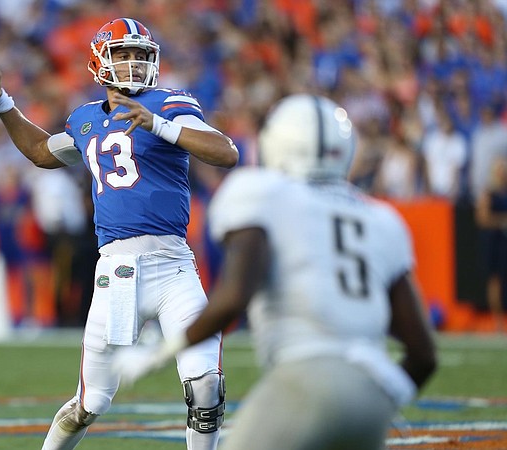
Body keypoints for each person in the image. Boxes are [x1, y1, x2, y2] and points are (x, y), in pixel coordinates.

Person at [114, 94, 438, 450]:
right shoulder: (381, 218)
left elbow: (234, 296)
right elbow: (424, 355)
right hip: (372, 392)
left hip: (303, 380)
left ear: (276, 144)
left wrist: (160, 352)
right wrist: (377, 402)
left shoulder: (260, 192)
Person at [0, 17, 238, 450]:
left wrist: (158, 124)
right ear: (100, 60)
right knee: (89, 403)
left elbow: (225, 152)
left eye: (142, 55)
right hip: (116, 272)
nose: (136, 63)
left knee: (206, 390)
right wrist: (2, 101)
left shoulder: (170, 103)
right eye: (125, 54)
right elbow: (43, 153)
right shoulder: (86, 121)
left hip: (174, 267)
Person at [474, 156, 507, 332]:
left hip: (503, 240)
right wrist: (501, 221)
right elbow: (482, 218)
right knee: (495, 281)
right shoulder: (489, 192)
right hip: (495, 241)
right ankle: (499, 322)